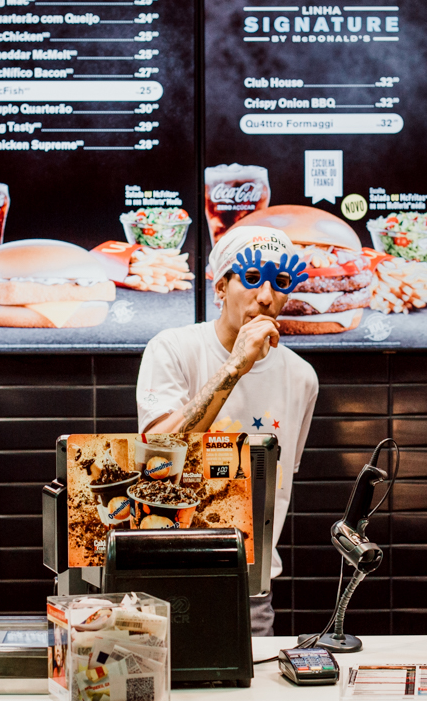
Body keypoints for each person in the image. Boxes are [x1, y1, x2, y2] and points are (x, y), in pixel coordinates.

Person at [136, 226, 319, 636]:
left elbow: (282, 475)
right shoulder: (172, 348)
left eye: (281, 283)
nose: (267, 297)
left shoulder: (302, 377)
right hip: (164, 573)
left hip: (250, 585)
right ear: (221, 286)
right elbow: (158, 457)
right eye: (252, 280)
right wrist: (234, 366)